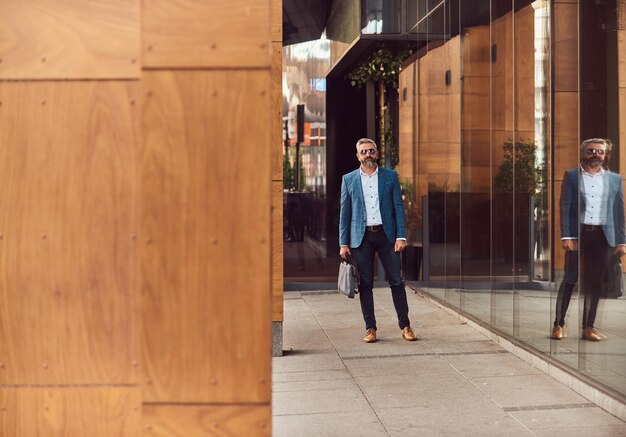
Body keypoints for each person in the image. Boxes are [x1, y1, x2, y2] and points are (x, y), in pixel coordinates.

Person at [339, 138, 417, 343]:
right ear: (357, 156)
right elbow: (344, 213)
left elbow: (398, 209)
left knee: (396, 281)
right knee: (365, 283)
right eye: (363, 152)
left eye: (371, 151)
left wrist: (401, 236)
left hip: (387, 236)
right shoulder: (349, 179)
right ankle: (370, 328)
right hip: (361, 237)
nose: (368, 154)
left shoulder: (390, 177)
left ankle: (405, 325)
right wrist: (343, 242)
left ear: (377, 153)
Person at [552, 138, 626, 342]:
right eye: (592, 150)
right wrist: (567, 236)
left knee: (595, 283)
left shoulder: (614, 179)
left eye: (600, 152)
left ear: (605, 155)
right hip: (579, 235)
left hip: (603, 236)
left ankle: (588, 328)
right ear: (583, 152)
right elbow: (565, 207)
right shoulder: (572, 176)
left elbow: (619, 212)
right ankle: (558, 324)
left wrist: (621, 241)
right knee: (570, 279)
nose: (596, 154)